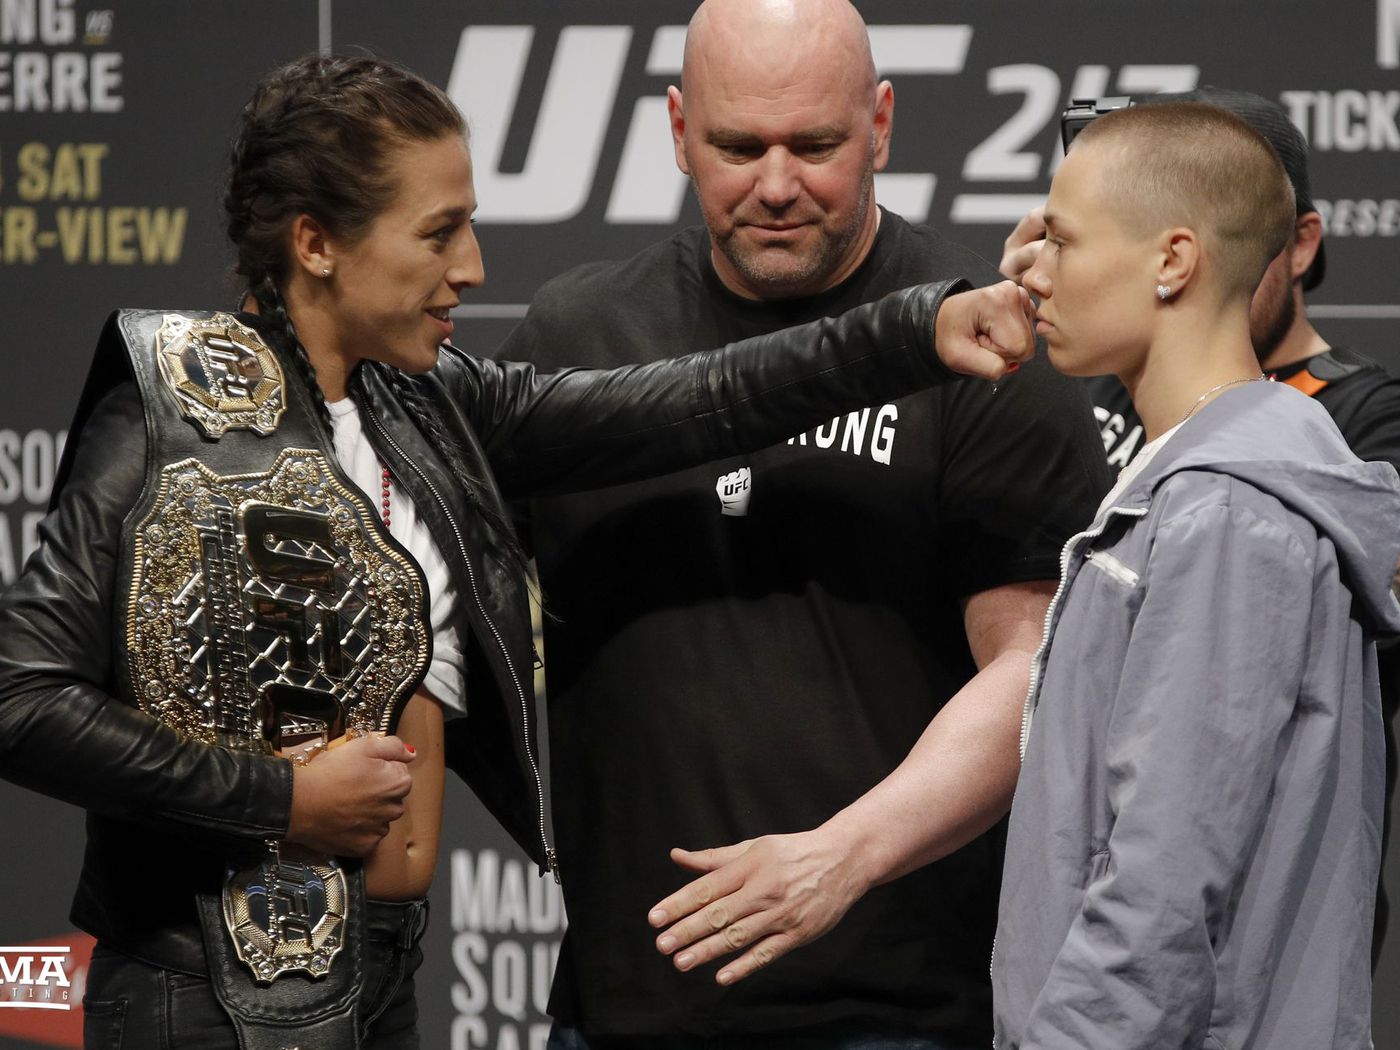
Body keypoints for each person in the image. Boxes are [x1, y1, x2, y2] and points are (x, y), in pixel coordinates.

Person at [0, 54, 1037, 1050]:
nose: (472, 268)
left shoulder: (428, 404)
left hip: (379, 969)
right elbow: (19, 696)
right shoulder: (170, 411)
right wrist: (282, 801)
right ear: (315, 243)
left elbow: (704, 396)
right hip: (204, 989)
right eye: (438, 233)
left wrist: (917, 328)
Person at [495, 1, 1110, 1045]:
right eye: (738, 147)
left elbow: (1033, 669)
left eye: (814, 145)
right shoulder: (577, 336)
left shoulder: (980, 342)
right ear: (678, 130)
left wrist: (840, 858)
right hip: (622, 1009)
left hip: (898, 1011)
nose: (776, 185)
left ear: (880, 124)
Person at [992, 101, 1400, 1049]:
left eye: (1061, 240)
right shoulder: (1204, 481)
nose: (1031, 272)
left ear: (1173, 261)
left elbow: (1161, 889)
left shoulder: (1226, 512)